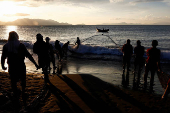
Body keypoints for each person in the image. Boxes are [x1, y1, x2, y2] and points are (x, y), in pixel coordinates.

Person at [1, 31, 39, 108]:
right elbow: (28, 55)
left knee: (13, 82)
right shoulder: (21, 45)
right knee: (23, 80)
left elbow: (3, 57)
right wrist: (35, 64)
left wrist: (2, 65)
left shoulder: (6, 46)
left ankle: (16, 94)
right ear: (17, 37)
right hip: (21, 66)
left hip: (11, 66)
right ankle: (23, 92)